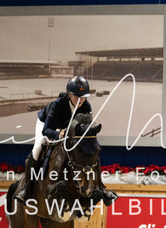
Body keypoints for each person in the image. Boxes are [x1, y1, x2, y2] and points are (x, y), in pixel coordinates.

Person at [15, 76, 118, 206]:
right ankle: (26, 188)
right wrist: (59, 134)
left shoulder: (86, 105)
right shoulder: (57, 105)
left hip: (70, 131)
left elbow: (86, 127)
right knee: (37, 149)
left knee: (92, 151)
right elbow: (46, 130)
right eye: (77, 96)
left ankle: (102, 188)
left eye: (83, 97)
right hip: (48, 126)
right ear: (69, 94)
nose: (81, 100)